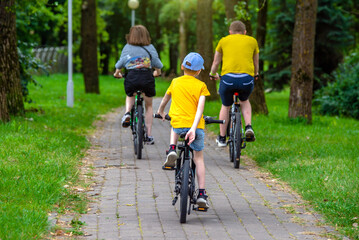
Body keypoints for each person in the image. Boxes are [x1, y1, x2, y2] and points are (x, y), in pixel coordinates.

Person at [156, 52, 211, 209]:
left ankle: (172, 149)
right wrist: (194, 127)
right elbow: (200, 108)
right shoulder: (201, 86)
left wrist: (160, 112)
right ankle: (201, 194)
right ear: (199, 71)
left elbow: (165, 99)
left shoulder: (175, 82)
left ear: (182, 66)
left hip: (179, 125)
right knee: (198, 159)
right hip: (196, 128)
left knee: (174, 122)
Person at [209, 20, 259, 147]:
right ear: (245, 32)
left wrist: (212, 74)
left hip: (228, 79)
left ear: (230, 32)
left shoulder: (223, 41)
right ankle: (248, 126)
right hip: (246, 79)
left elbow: (216, 63)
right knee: (244, 100)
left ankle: (221, 138)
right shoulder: (252, 41)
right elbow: (255, 63)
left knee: (226, 105)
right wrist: (256, 74)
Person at [114, 25, 163, 145]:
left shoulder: (127, 47)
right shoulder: (150, 47)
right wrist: (157, 73)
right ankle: (149, 135)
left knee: (130, 94)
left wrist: (117, 74)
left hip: (132, 77)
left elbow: (120, 64)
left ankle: (127, 113)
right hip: (147, 77)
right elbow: (157, 64)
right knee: (149, 105)